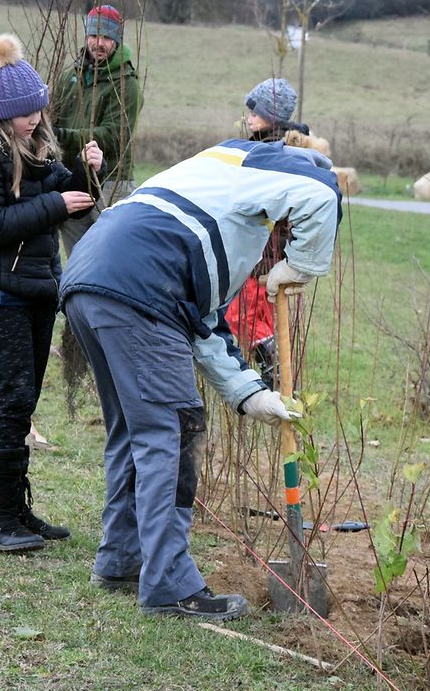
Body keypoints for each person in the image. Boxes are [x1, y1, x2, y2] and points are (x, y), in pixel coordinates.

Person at [60, 138, 342, 622]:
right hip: (140, 290)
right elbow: (322, 191)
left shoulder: (210, 180)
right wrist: (303, 265)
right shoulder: (262, 166)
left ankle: (122, 559)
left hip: (92, 279)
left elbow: (204, 321)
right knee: (172, 433)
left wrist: (250, 393)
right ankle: (169, 585)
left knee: (135, 430)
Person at [0, 33, 103, 554]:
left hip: (33, 288)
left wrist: (84, 173)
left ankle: (18, 510)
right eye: (29, 112)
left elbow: (65, 196)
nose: (38, 118)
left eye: (39, 109)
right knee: (12, 401)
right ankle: (0, 519)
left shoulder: (28, 148)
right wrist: (57, 203)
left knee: (24, 400)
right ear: (6, 112)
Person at [224, 78, 311, 386]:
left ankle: (273, 373)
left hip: (265, 251)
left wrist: (271, 251)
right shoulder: (262, 146)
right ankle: (272, 376)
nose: (249, 117)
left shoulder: (275, 153)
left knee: (243, 316)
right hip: (258, 249)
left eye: (256, 112)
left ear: (273, 116)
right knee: (251, 316)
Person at [50, 4, 143, 258]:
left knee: (112, 260)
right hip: (73, 180)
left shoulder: (127, 84)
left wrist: (62, 136)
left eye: (106, 37)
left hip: (113, 183)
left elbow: (114, 136)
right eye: (93, 36)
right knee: (79, 259)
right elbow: (51, 117)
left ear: (117, 39)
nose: (98, 43)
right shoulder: (68, 76)